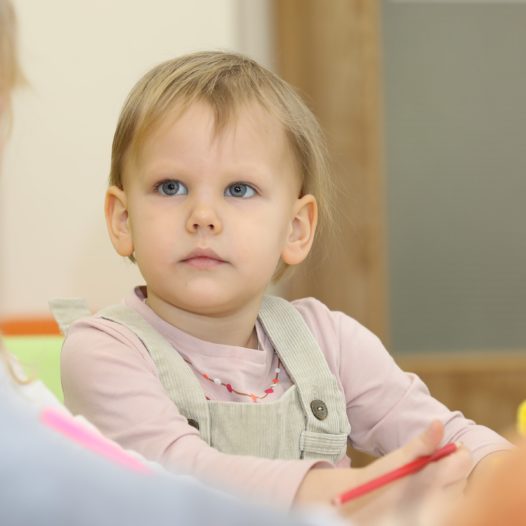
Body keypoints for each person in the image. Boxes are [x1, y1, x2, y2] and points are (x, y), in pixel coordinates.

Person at [0, 1, 476, 525]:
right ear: (122, 219)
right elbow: (179, 472)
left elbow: (445, 434)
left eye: (239, 189)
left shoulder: (330, 342)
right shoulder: (103, 352)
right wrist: (354, 491)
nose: (203, 216)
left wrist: (493, 468)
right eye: (171, 187)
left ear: (295, 230)